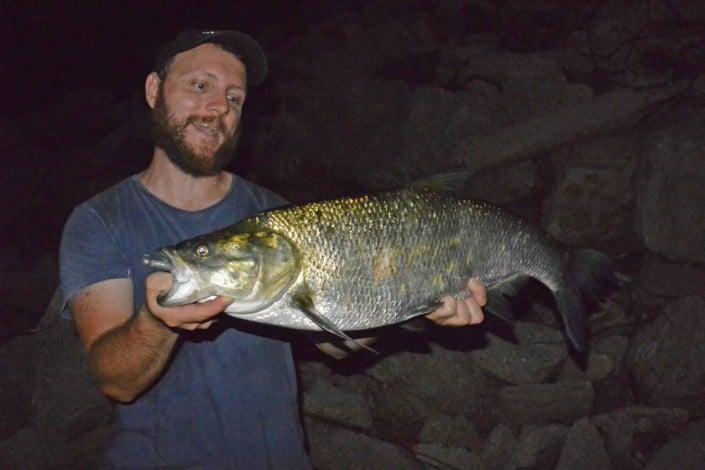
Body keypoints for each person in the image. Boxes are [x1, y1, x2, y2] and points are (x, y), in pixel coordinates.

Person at [59, 30, 486, 468]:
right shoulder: (99, 220)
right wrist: (157, 322)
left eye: (235, 97)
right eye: (200, 85)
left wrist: (409, 300)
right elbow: (115, 381)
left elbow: (339, 346)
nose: (219, 107)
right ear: (154, 90)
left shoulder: (275, 214)